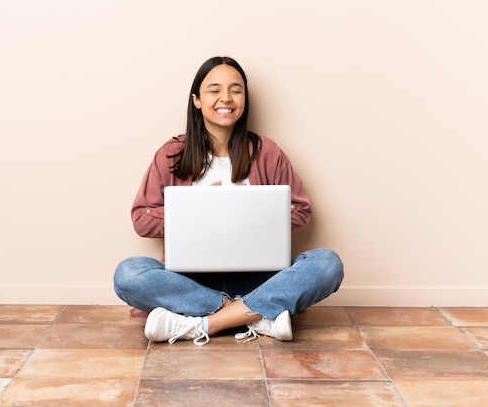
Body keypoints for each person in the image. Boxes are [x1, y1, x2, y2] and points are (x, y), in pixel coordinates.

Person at [114, 56, 343, 346]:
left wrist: (251, 214)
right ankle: (257, 315)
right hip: (189, 281)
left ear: (244, 99)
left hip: (258, 278)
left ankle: (200, 324)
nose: (226, 98)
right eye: (214, 90)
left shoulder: (267, 152)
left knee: (327, 264)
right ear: (196, 100)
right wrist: (197, 210)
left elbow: (301, 210)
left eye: (236, 90)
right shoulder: (172, 154)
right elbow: (141, 218)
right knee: (128, 273)